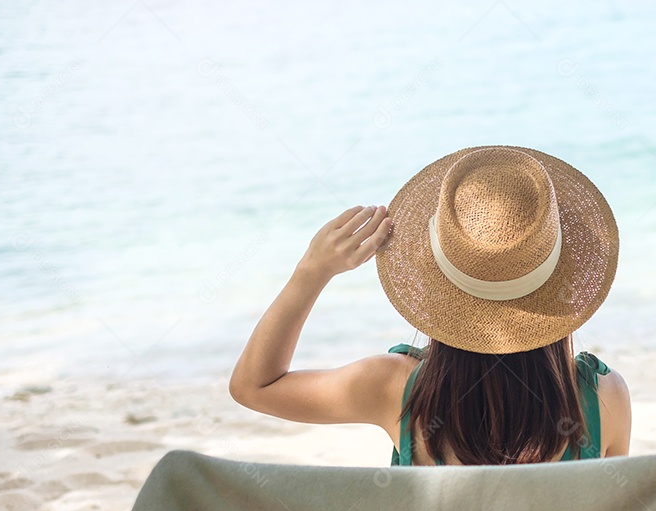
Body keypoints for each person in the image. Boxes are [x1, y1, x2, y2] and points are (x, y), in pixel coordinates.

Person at [229, 145, 629, 466]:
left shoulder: (393, 389)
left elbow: (254, 386)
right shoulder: (604, 401)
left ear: (440, 291)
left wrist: (310, 273)